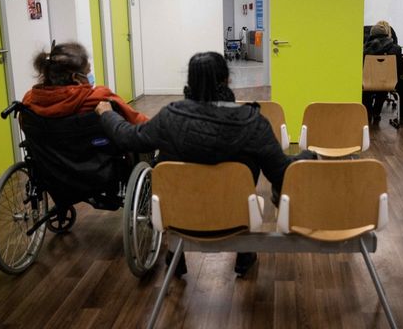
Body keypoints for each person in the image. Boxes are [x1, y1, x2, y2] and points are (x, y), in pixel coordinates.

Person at [95, 51, 317, 277]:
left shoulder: (170, 117)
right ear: (227, 80)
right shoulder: (251, 121)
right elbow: (281, 173)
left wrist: (106, 114)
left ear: (189, 82)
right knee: (248, 161)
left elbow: (128, 137)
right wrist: (308, 156)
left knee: (167, 158)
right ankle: (244, 252)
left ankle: (175, 253)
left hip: (180, 213)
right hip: (235, 212)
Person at [23, 41, 148, 124]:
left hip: (49, 163)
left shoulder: (30, 100)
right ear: (76, 78)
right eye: (88, 71)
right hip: (97, 162)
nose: (90, 75)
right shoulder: (100, 98)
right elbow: (138, 122)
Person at [363, 21, 403, 123]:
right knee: (384, 85)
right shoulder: (396, 49)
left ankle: (368, 112)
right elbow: (400, 68)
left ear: (371, 34)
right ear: (386, 33)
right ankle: (376, 112)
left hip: (367, 82)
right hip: (387, 82)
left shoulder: (364, 49)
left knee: (365, 89)